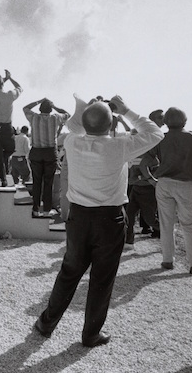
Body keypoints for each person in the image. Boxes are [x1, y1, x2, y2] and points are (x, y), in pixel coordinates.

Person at [34, 95, 163, 347]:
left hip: (79, 217)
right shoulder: (120, 146)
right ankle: (91, 333)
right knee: (102, 279)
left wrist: (89, 108)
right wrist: (124, 109)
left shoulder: (72, 141)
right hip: (109, 218)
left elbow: (76, 127)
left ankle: (46, 322)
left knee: (69, 272)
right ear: (111, 124)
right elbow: (155, 133)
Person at [142, 107, 192, 275]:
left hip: (164, 183)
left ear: (165, 122)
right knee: (188, 224)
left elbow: (143, 165)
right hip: (185, 184)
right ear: (185, 121)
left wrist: (152, 180)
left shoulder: (160, 139)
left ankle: (167, 260)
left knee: (166, 224)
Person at [22, 98, 70, 217]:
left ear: (40, 109)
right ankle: (47, 210)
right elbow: (67, 114)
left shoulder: (34, 117)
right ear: (50, 109)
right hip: (50, 152)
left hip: (36, 151)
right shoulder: (55, 118)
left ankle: (36, 209)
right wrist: (55, 106)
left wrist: (38, 101)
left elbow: (25, 108)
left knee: (37, 181)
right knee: (48, 182)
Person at [0, 69, 23, 186]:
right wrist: (9, 78)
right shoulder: (9, 95)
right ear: (2, 84)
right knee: (10, 149)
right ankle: (3, 175)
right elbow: (19, 87)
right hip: (6, 126)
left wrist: (3, 80)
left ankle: (1, 172)